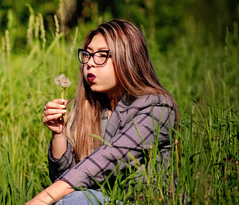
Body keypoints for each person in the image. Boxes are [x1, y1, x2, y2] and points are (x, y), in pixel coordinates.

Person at [26, 19, 178, 205]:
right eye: (88, 55)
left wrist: (40, 200)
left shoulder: (157, 107)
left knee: (80, 200)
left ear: (128, 58)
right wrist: (59, 134)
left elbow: (110, 158)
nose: (90, 63)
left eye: (101, 55)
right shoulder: (89, 108)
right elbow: (65, 182)